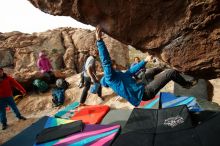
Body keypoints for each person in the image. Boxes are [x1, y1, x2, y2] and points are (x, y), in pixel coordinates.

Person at [96, 26, 197, 107]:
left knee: (151, 71)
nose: (115, 66)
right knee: (170, 73)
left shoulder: (117, 77)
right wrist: (99, 41)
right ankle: (186, 84)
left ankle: (165, 71)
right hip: (145, 93)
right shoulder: (110, 78)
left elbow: (130, 71)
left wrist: (145, 60)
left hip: (141, 86)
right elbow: (106, 62)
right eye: (113, 65)